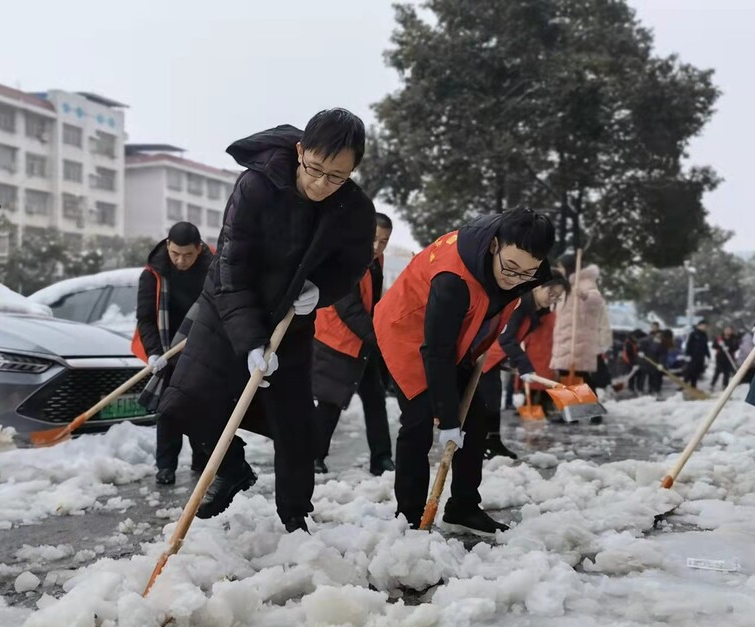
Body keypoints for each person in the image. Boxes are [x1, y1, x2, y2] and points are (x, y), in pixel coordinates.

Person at [158, 109, 376, 533]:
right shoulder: (257, 185)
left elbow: (352, 264)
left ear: (351, 172)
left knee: (294, 428)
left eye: (336, 176)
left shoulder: (354, 208)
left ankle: (295, 517)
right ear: (299, 151)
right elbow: (231, 268)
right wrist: (250, 340)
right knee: (181, 406)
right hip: (227, 311)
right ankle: (233, 467)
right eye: (314, 169)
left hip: (291, 322)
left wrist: (322, 289)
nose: (320, 184)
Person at [373, 209, 556, 534]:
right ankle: (410, 519)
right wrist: (446, 419)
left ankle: (463, 507)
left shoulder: (527, 269)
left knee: (475, 418)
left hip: (457, 333)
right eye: (510, 268)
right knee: (418, 422)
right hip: (408, 330)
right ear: (494, 246)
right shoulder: (452, 278)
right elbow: (436, 352)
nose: (515, 279)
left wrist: (457, 418)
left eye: (526, 274)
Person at [312, 212, 394, 476]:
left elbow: (373, 304)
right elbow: (349, 310)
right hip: (336, 341)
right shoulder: (344, 260)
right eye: (374, 239)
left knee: (375, 400)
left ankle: (381, 459)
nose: (377, 247)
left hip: (363, 342)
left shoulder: (376, 261)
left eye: (384, 241)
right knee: (330, 402)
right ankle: (313, 457)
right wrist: (380, 339)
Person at [132, 222, 213, 485]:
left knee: (203, 408)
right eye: (175, 253)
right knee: (168, 411)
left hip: (203, 347)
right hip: (168, 349)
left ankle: (202, 460)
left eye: (187, 254)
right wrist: (155, 353)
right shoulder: (153, 274)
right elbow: (145, 318)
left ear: (198, 249)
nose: (180, 260)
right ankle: (165, 466)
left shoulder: (213, 272)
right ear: (167, 246)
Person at [480, 273, 569, 458]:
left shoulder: (535, 309)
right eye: (551, 292)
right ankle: (482, 446)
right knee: (486, 402)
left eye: (557, 296)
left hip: (495, 359)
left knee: (493, 400)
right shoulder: (520, 304)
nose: (553, 298)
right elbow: (506, 338)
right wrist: (524, 365)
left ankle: (494, 443)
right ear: (539, 285)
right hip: (483, 357)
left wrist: (513, 361)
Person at [550, 258, 608, 402]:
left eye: (561, 266)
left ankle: (591, 410)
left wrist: (585, 295)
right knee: (566, 375)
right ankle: (572, 412)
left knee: (580, 376)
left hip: (578, 340)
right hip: (564, 339)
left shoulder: (585, 283)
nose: (560, 269)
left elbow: (597, 301)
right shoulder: (564, 285)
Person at [683, 320, 711, 388]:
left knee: (696, 372)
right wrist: (687, 354)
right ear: (699, 326)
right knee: (690, 371)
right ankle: (683, 385)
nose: (704, 327)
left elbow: (705, 346)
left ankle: (693, 385)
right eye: (703, 326)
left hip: (700, 357)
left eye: (705, 326)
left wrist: (708, 355)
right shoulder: (693, 334)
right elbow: (688, 344)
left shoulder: (704, 335)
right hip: (693, 356)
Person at [710, 326, 739, 391]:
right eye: (726, 330)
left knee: (727, 373)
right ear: (724, 330)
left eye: (729, 330)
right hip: (720, 358)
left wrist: (729, 348)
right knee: (717, 372)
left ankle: (725, 386)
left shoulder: (734, 339)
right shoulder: (719, 338)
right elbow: (713, 346)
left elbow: (736, 347)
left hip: (729, 359)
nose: (728, 331)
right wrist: (720, 346)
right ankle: (712, 385)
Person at [639, 329, 667, 395]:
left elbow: (663, 355)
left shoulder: (663, 344)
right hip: (645, 361)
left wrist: (661, 364)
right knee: (642, 377)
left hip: (655, 363)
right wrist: (641, 352)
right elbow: (641, 345)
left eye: (661, 335)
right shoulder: (648, 340)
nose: (659, 336)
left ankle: (653, 390)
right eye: (658, 335)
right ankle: (640, 390)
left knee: (654, 377)